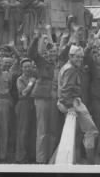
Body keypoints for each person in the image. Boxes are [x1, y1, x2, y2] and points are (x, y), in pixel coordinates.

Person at [57, 45, 99, 164]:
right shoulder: (70, 69)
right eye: (77, 57)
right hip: (72, 102)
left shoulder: (68, 66)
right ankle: (91, 164)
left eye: (81, 57)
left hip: (72, 101)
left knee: (75, 135)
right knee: (91, 131)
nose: (80, 60)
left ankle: (78, 161)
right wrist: (70, 106)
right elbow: (66, 90)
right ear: (70, 56)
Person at [27, 32, 59, 164]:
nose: (52, 55)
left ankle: (51, 157)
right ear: (47, 53)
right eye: (50, 53)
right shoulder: (41, 62)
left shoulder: (59, 65)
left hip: (54, 99)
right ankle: (41, 159)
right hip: (41, 98)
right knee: (42, 130)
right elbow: (31, 54)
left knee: (52, 130)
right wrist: (35, 38)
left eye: (54, 53)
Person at [15, 58, 37, 163]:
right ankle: (21, 157)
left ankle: (31, 155)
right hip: (23, 104)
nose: (28, 69)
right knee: (23, 131)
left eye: (30, 66)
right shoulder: (20, 79)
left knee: (32, 130)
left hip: (33, 104)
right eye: (25, 67)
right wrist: (31, 83)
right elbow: (23, 92)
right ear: (22, 68)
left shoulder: (34, 77)